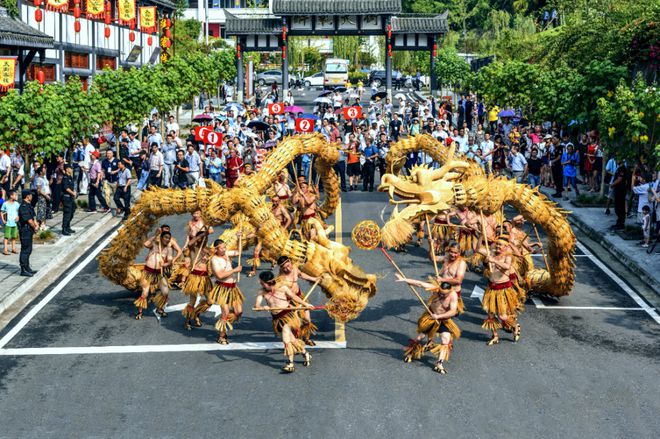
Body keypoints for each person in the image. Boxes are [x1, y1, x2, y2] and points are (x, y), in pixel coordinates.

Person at [397, 276, 460, 374]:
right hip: (431, 317)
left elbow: (452, 312)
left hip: (443, 320)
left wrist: (439, 317)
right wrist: (405, 279)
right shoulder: (436, 289)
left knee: (446, 340)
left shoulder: (453, 296)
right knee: (420, 337)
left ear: (449, 291)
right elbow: (420, 284)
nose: (441, 295)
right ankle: (410, 354)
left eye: (444, 294)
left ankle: (439, 364)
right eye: (440, 292)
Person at [254, 270, 313, 373]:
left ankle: (290, 364)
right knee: (292, 340)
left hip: (288, 316)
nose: (261, 284)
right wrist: (261, 307)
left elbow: (294, 297)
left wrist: (305, 304)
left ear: (269, 282)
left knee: (286, 338)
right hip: (277, 319)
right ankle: (305, 353)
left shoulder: (282, 288)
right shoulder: (261, 292)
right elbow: (257, 304)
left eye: (262, 283)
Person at [476, 235, 521, 345]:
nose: (498, 246)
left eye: (501, 245)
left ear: (506, 247)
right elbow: (477, 249)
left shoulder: (507, 256)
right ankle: (495, 336)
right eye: (497, 244)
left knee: (502, 316)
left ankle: (515, 326)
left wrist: (494, 261)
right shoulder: (490, 252)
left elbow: (506, 266)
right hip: (491, 288)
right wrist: (481, 237)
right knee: (490, 315)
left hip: (503, 289)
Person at [206, 239, 244, 344]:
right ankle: (222, 336)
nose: (224, 249)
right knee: (225, 312)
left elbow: (239, 252)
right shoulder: (214, 260)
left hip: (233, 288)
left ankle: (224, 324)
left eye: (224, 247)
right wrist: (235, 270)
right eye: (222, 248)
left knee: (238, 312)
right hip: (222, 289)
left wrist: (239, 239)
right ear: (216, 249)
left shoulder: (226, 253)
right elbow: (220, 275)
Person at [277, 255, 321, 346]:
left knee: (307, 320)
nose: (288, 269)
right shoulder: (281, 279)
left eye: (289, 265)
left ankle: (306, 338)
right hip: (290, 300)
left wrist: (314, 279)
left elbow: (301, 275)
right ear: (281, 268)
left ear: (290, 261)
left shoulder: (295, 268)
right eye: (285, 268)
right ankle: (295, 341)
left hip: (300, 297)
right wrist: (289, 306)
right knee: (295, 323)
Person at [134, 230, 172, 319]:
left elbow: (170, 260)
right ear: (161, 238)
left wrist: (165, 264)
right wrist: (155, 235)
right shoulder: (155, 244)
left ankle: (160, 308)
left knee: (165, 292)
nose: (167, 239)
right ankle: (139, 312)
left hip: (159, 274)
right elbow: (146, 244)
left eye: (169, 238)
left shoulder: (169, 249)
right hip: (147, 273)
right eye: (166, 237)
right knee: (145, 293)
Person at [180, 230, 213, 329]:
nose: (203, 239)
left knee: (210, 301)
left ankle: (196, 313)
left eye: (205, 238)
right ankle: (187, 321)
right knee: (192, 301)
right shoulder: (194, 248)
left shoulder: (208, 250)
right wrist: (201, 235)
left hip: (205, 278)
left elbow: (221, 252)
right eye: (201, 238)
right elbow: (190, 243)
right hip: (194, 278)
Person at [17, 190, 38, 276]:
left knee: (29, 249)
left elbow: (33, 217)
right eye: (30, 195)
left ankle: (27, 267)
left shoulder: (29, 205)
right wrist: (34, 226)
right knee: (25, 250)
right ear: (27, 196)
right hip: (25, 230)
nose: (32, 196)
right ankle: (23, 269)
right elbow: (29, 220)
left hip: (29, 230)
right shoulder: (23, 206)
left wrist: (36, 225)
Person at [1, 190, 19, 256]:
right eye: (15, 195)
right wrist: (3, 220)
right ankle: (5, 249)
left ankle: (13, 248)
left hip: (15, 223)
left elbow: (19, 211)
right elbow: (1, 212)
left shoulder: (17, 204)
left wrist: (18, 217)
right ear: (11, 196)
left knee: (14, 236)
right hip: (8, 223)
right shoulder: (5, 204)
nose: (16, 196)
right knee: (7, 237)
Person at [61, 164, 77, 236]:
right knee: (67, 213)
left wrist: (74, 193)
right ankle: (64, 228)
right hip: (66, 197)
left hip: (71, 198)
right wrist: (72, 193)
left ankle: (68, 226)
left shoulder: (70, 177)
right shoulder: (65, 178)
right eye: (70, 168)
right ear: (67, 169)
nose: (71, 170)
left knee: (72, 210)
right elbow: (66, 188)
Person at [611, 165, 627, 230]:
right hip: (619, 191)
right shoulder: (621, 168)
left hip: (620, 191)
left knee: (619, 208)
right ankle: (619, 223)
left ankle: (620, 224)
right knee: (619, 208)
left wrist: (612, 184)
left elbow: (619, 179)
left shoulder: (622, 169)